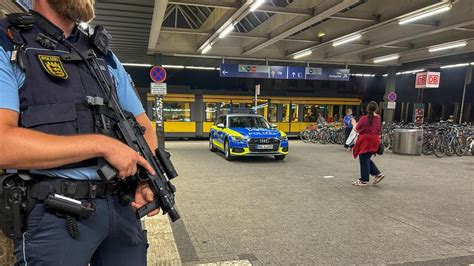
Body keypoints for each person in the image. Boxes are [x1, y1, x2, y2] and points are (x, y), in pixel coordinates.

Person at [0, 1, 160, 265]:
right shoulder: (9, 42)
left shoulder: (103, 54)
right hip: (54, 215)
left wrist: (146, 179)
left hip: (121, 209)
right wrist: (100, 145)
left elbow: (144, 127)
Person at [352, 101, 385, 186]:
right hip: (375, 140)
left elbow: (356, 129)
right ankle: (377, 174)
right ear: (376, 109)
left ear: (367, 109)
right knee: (366, 158)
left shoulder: (363, 118)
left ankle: (364, 180)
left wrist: (354, 123)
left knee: (364, 158)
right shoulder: (378, 118)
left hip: (365, 141)